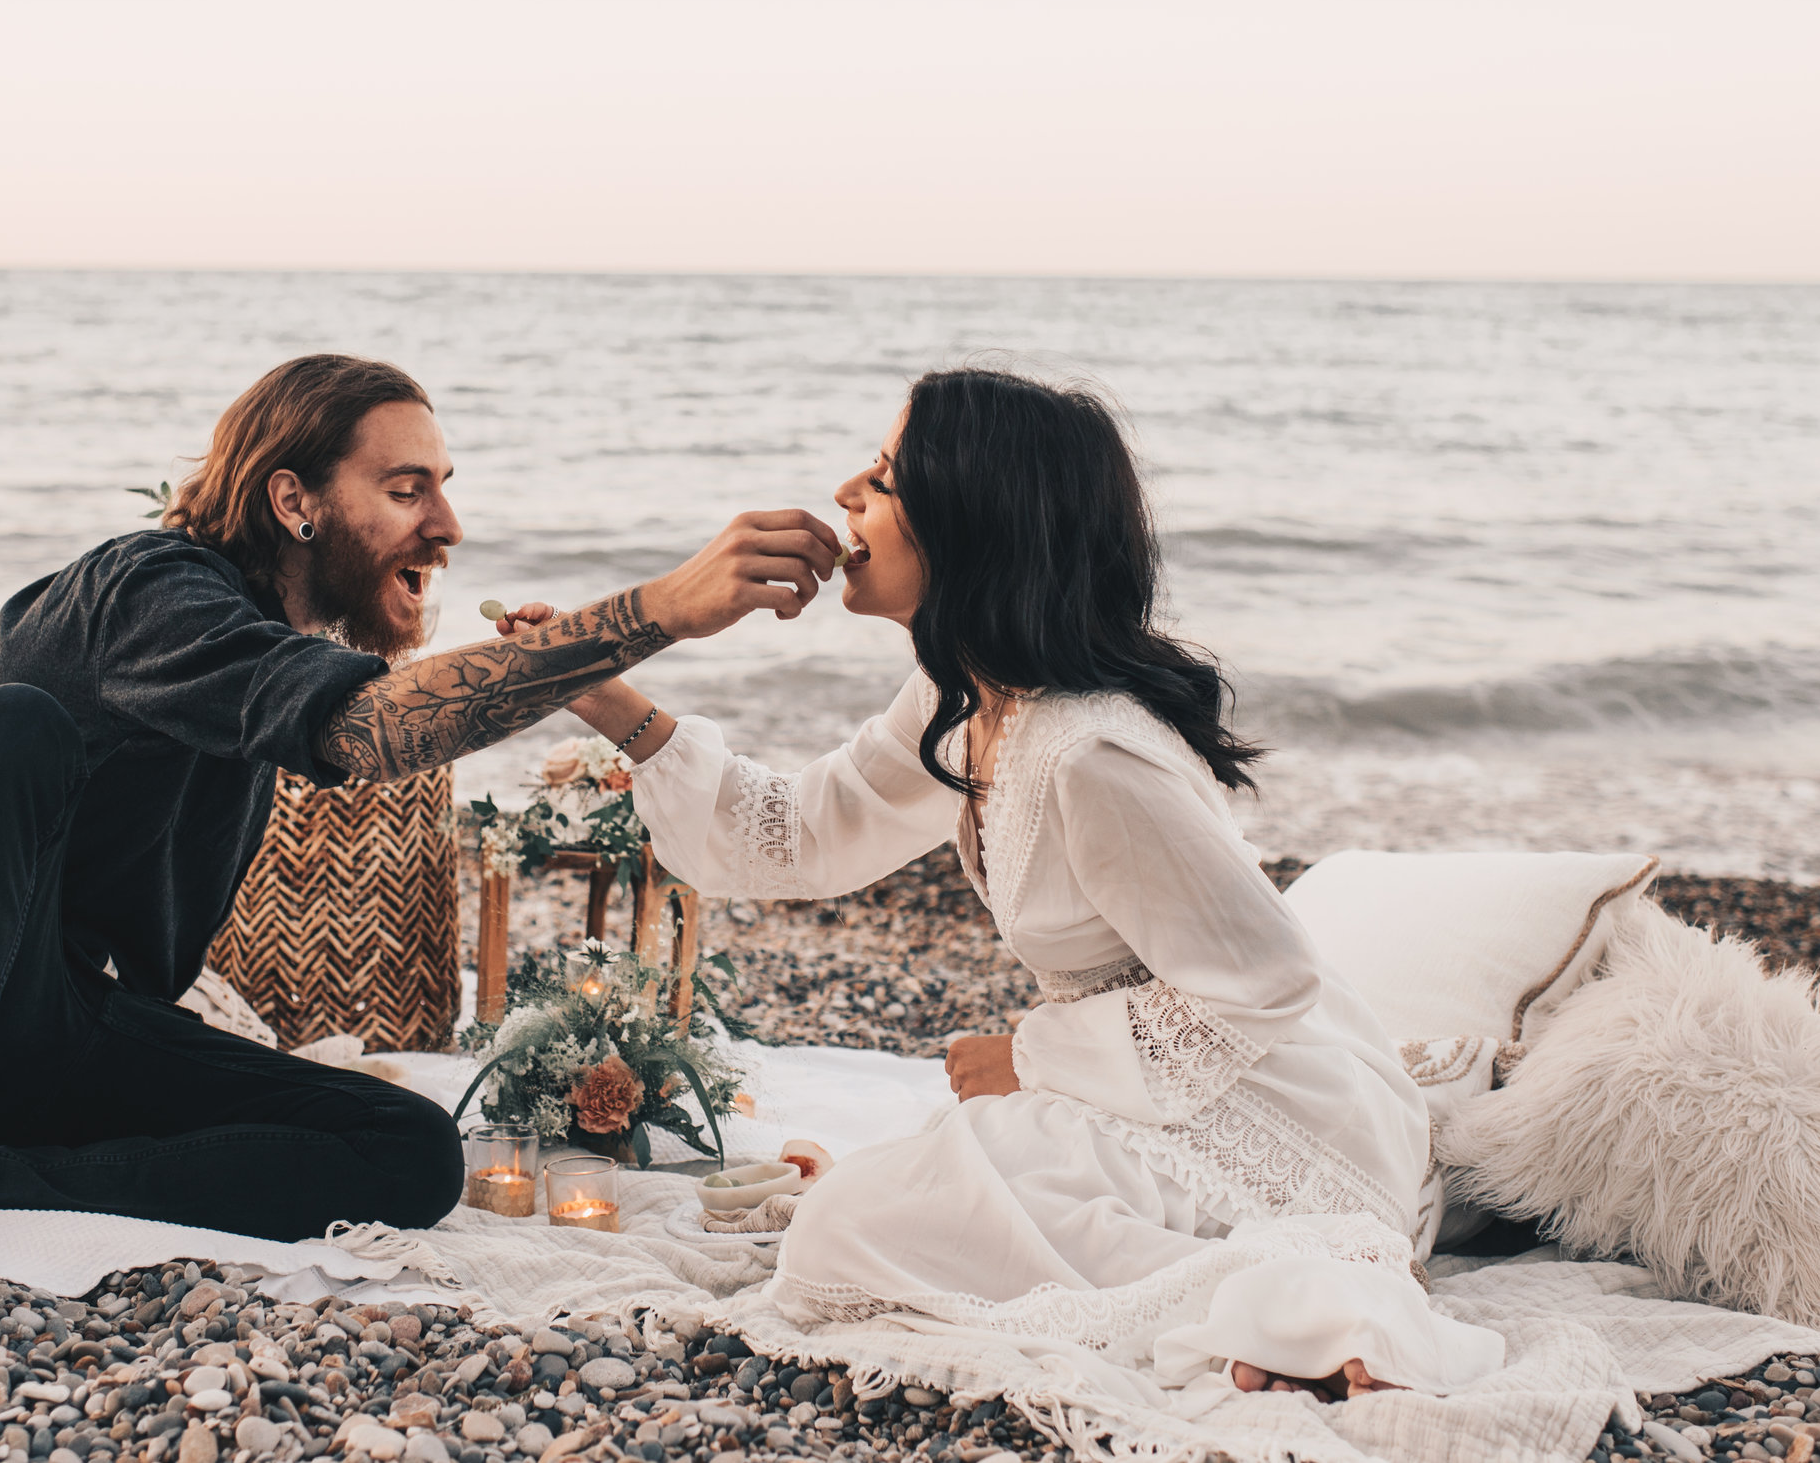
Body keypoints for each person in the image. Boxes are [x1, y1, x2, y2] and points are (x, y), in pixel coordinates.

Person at [0, 352, 843, 1378]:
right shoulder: (147, 588)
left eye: (444, 487)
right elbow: (368, 729)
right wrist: (659, 609)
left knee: (407, 1150)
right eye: (407, 489)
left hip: (62, 1033)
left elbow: (349, 716)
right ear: (293, 502)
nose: (446, 524)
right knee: (14, 729)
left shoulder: (243, 648)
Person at [566, 368, 1505, 1399]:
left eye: (881, 477)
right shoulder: (966, 693)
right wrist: (601, 691)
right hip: (1133, 1085)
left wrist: (1030, 1057)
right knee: (870, 1214)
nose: (844, 494)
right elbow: (800, 837)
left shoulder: (1086, 752)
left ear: (971, 519)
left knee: (851, 1226)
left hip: (1263, 1108)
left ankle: (1322, 1291)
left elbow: (1267, 980)